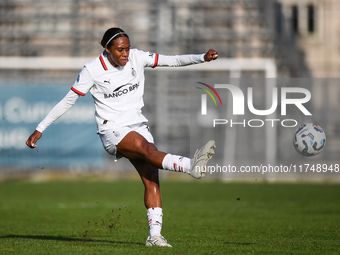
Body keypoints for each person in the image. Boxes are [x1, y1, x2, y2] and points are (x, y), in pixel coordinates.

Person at [26, 27, 218, 247]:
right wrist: (41, 127)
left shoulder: (137, 57)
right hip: (113, 130)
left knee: (151, 179)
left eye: (127, 48)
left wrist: (201, 57)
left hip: (138, 125)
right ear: (107, 48)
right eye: (119, 50)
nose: (125, 54)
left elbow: (171, 61)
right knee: (148, 151)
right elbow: (68, 100)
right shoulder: (92, 70)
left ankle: (154, 237)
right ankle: (190, 165)